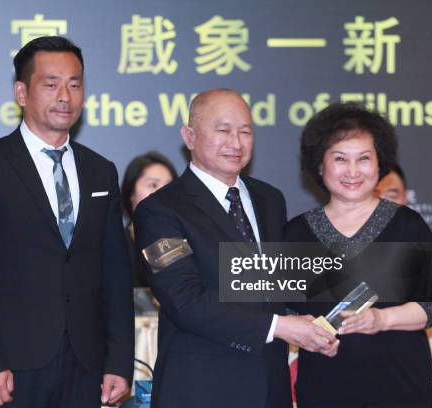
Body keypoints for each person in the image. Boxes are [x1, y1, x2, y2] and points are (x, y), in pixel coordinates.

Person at [0, 36, 134, 407]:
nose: (65, 95)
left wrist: (120, 362)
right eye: (51, 84)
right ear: (21, 92)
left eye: (75, 84)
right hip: (10, 369)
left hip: (87, 367)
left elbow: (115, 273)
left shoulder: (101, 172)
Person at [134, 88, 338, 408]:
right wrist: (281, 327)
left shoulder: (269, 199)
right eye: (223, 130)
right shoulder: (160, 211)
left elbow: (274, 285)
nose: (236, 142)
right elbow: (185, 302)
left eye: (245, 131)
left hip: (271, 387)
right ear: (189, 136)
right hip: (201, 389)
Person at [285, 102, 432, 407]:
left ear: (380, 164)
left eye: (363, 158)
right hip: (325, 387)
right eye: (339, 159)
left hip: (400, 386)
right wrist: (307, 335)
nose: (352, 171)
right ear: (320, 166)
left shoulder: (408, 225)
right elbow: (285, 314)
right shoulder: (295, 233)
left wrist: (382, 319)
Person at [121, 151, 177, 286]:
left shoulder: (177, 242)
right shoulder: (113, 243)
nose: (162, 193)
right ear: (131, 194)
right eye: (153, 185)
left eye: (169, 186)